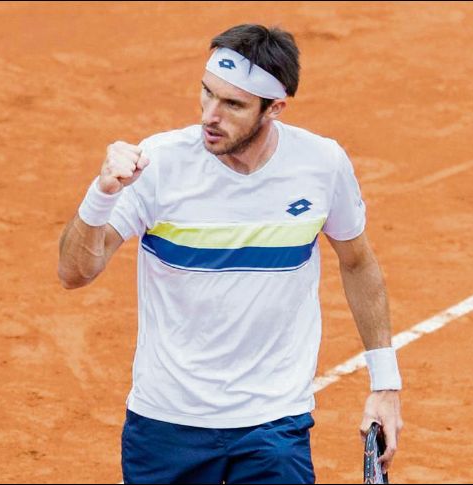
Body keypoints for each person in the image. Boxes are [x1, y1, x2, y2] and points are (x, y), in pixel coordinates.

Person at [58, 24, 403, 484]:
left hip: (273, 423)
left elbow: (358, 260)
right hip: (166, 422)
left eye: (233, 104)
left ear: (274, 109)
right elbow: (74, 272)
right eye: (207, 94)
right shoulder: (158, 164)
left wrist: (385, 384)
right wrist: (101, 194)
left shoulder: (321, 165)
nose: (209, 116)